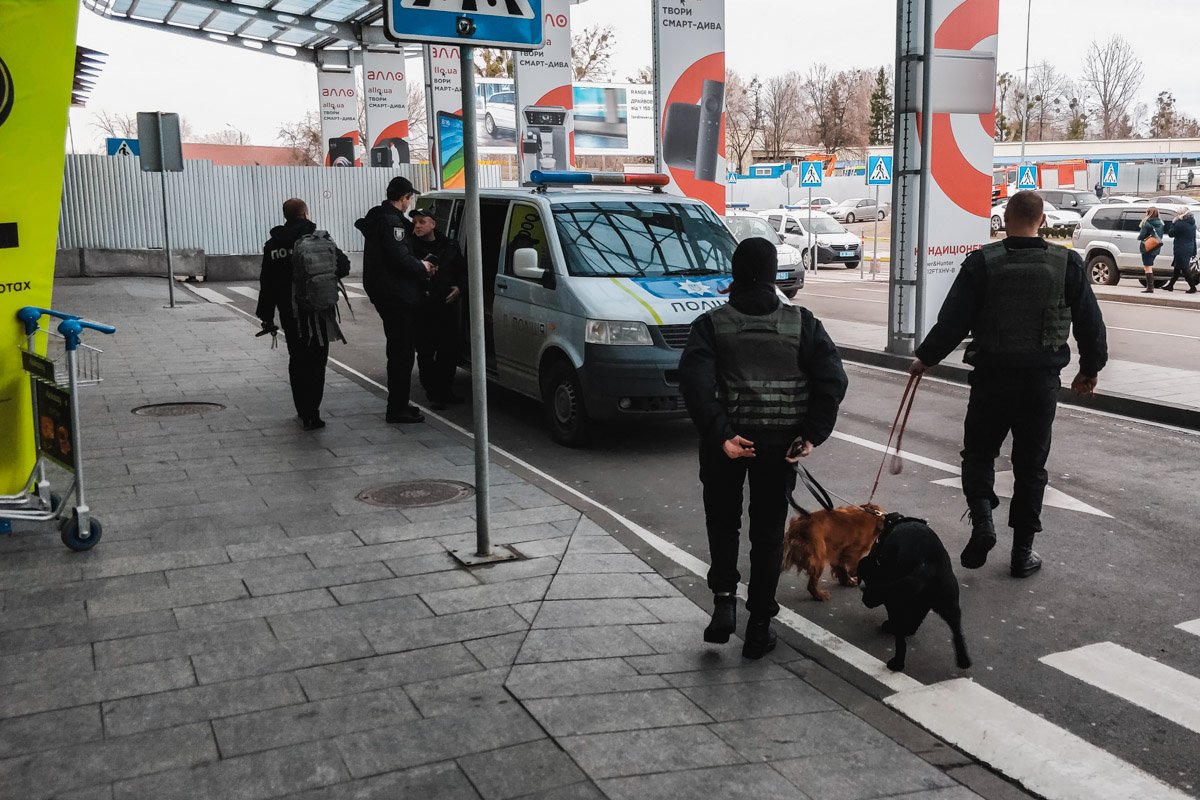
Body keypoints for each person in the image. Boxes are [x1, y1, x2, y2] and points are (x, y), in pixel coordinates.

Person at [909, 191, 1108, 579]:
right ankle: (1022, 553)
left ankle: (983, 520)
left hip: (991, 380)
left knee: (979, 454)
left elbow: (953, 321)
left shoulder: (982, 263)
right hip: (1040, 383)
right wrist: (1090, 369)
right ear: (1043, 222)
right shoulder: (1066, 263)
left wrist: (925, 359)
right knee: (1031, 467)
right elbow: (1090, 323)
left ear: (1003, 220)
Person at [680, 238, 848, 659]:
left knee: (723, 523)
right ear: (774, 275)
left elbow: (695, 384)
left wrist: (722, 434)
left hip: (726, 446)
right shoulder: (802, 323)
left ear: (735, 273)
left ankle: (723, 604)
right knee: (768, 534)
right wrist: (809, 433)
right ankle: (758, 625)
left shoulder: (711, 323)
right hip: (779, 447)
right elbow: (832, 381)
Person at [256, 198, 350, 431]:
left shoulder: (273, 245)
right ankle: (314, 412)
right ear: (305, 213)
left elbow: (267, 283)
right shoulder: (320, 239)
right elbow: (345, 266)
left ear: (285, 216)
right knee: (317, 361)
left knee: (297, 359)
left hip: (291, 312)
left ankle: (302, 410)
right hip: (319, 310)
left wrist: (266, 315)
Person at [355, 176, 437, 423]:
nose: (409, 204)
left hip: (387, 293)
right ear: (403, 198)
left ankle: (400, 403)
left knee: (400, 351)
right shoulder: (393, 224)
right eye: (409, 198)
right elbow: (400, 259)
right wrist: (423, 266)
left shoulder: (379, 218)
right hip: (397, 296)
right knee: (402, 353)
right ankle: (397, 408)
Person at [410, 208, 467, 409]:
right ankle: (433, 392)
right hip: (423, 308)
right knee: (426, 352)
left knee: (449, 352)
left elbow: (463, 271)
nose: (417, 225)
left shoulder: (450, 245)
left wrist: (460, 288)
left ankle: (445, 390)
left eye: (421, 221)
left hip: (447, 307)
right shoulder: (409, 248)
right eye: (415, 222)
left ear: (433, 224)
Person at [1163, 207, 1197, 293]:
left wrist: (1173, 223)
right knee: (1177, 268)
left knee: (1185, 269)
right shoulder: (1192, 223)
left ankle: (1193, 287)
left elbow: (1171, 233)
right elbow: (1193, 238)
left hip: (1181, 248)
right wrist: (1194, 251)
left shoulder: (1179, 223)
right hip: (1189, 247)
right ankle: (1170, 285)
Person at [1137, 207, 1165, 294]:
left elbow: (1141, 236)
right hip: (1156, 247)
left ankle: (1150, 287)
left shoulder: (1146, 223)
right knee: (1149, 266)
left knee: (1147, 267)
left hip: (1147, 247)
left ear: (1148, 213)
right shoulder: (1161, 223)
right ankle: (1150, 286)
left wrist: (1139, 237)